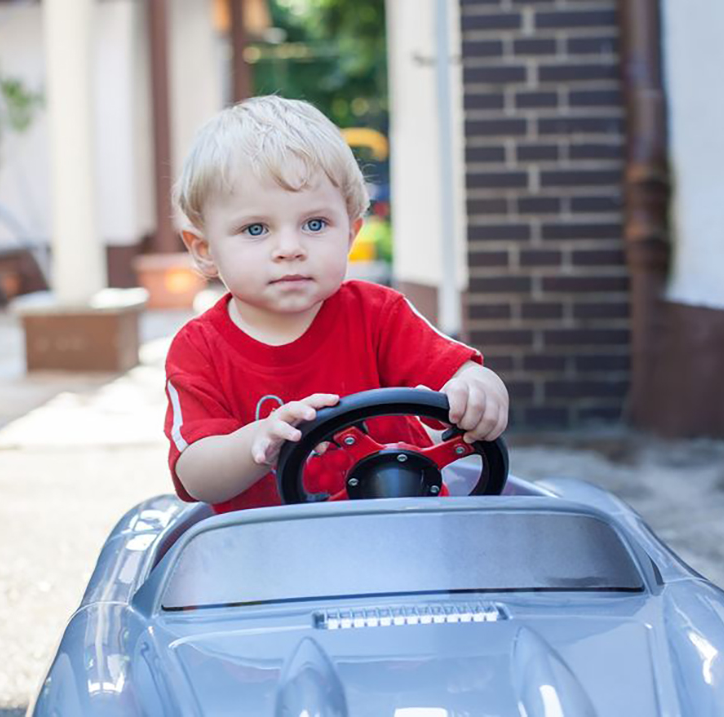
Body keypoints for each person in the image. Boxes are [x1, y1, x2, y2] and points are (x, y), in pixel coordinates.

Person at [164, 95, 508, 513]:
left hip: (408, 530)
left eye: (315, 224)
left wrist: (479, 392)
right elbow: (196, 475)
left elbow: (461, 372)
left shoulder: (379, 315)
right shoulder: (199, 349)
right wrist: (256, 441)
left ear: (350, 232)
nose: (289, 248)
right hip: (268, 557)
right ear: (204, 249)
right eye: (256, 229)